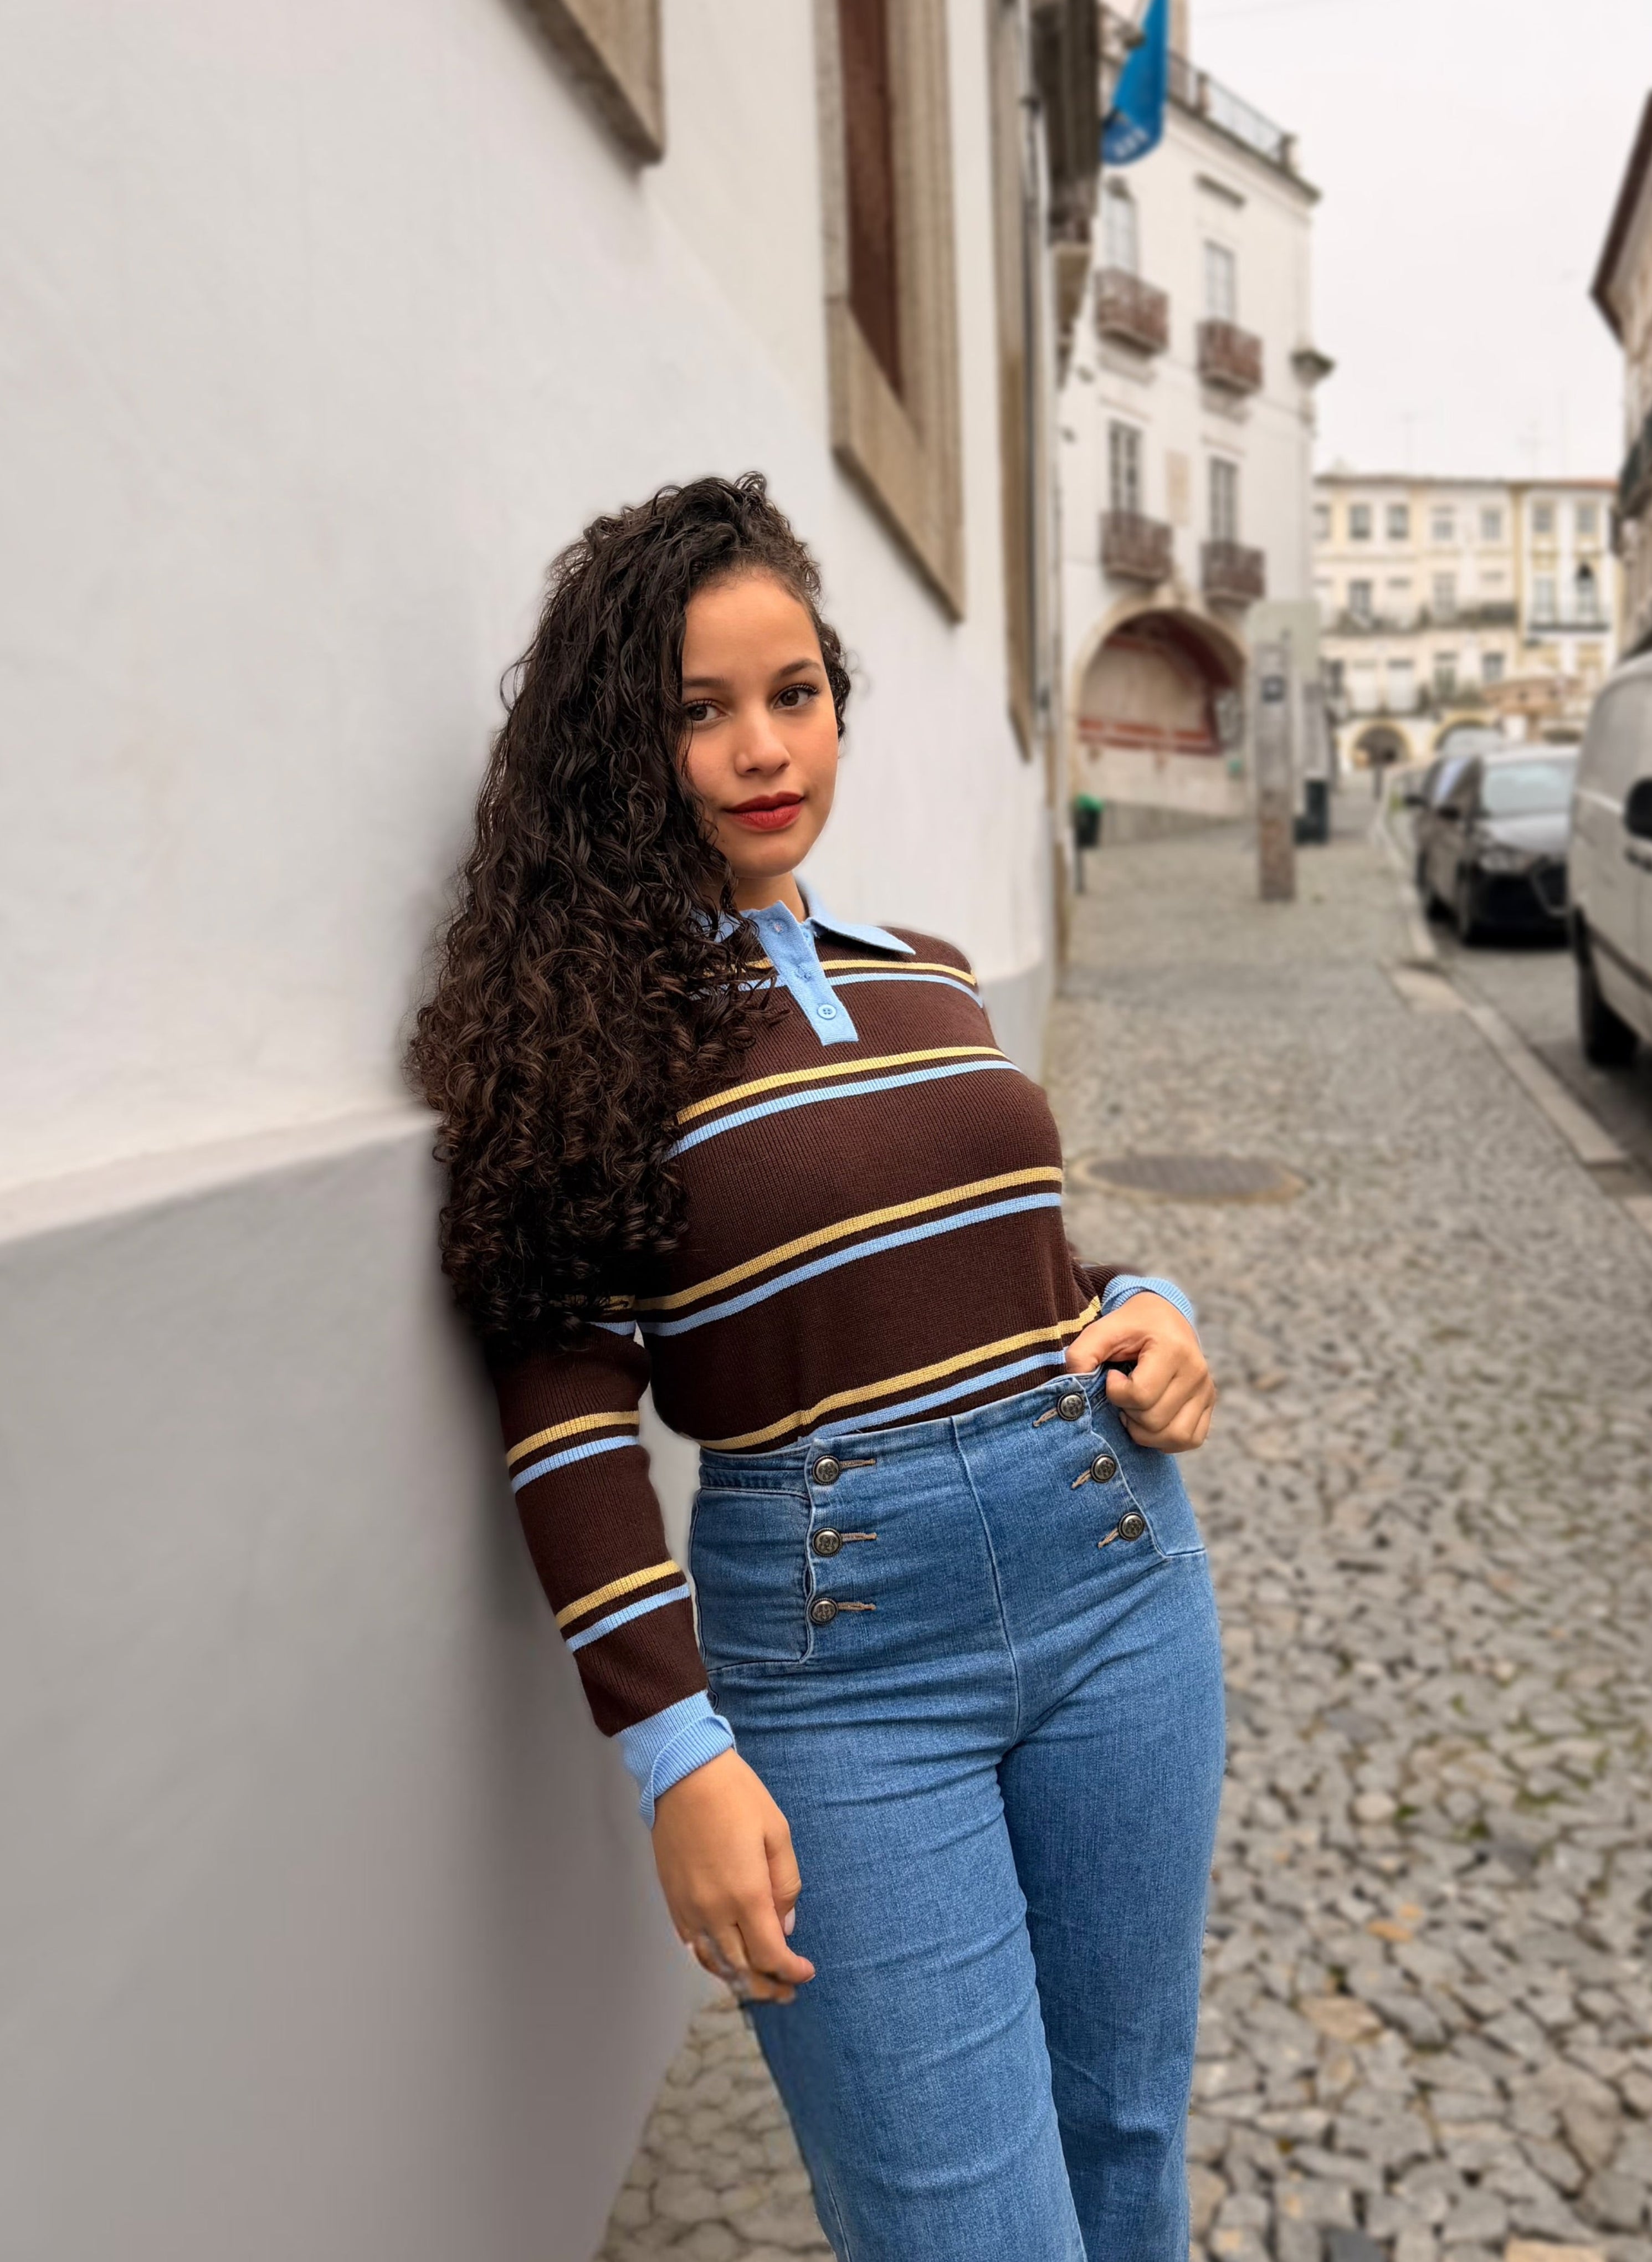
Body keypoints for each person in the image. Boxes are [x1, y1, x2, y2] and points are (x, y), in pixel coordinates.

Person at [409, 474, 1224, 2261]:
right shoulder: (581, 1038)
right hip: (846, 1670)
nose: (761, 748)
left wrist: (1148, 1301)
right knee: (966, 2226)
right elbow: (565, 1420)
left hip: (1121, 1581)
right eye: (698, 710)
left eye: (794, 692)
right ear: (618, 752)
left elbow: (1008, 1263)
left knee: (1126, 2141)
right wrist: (675, 1748)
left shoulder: (932, 974)